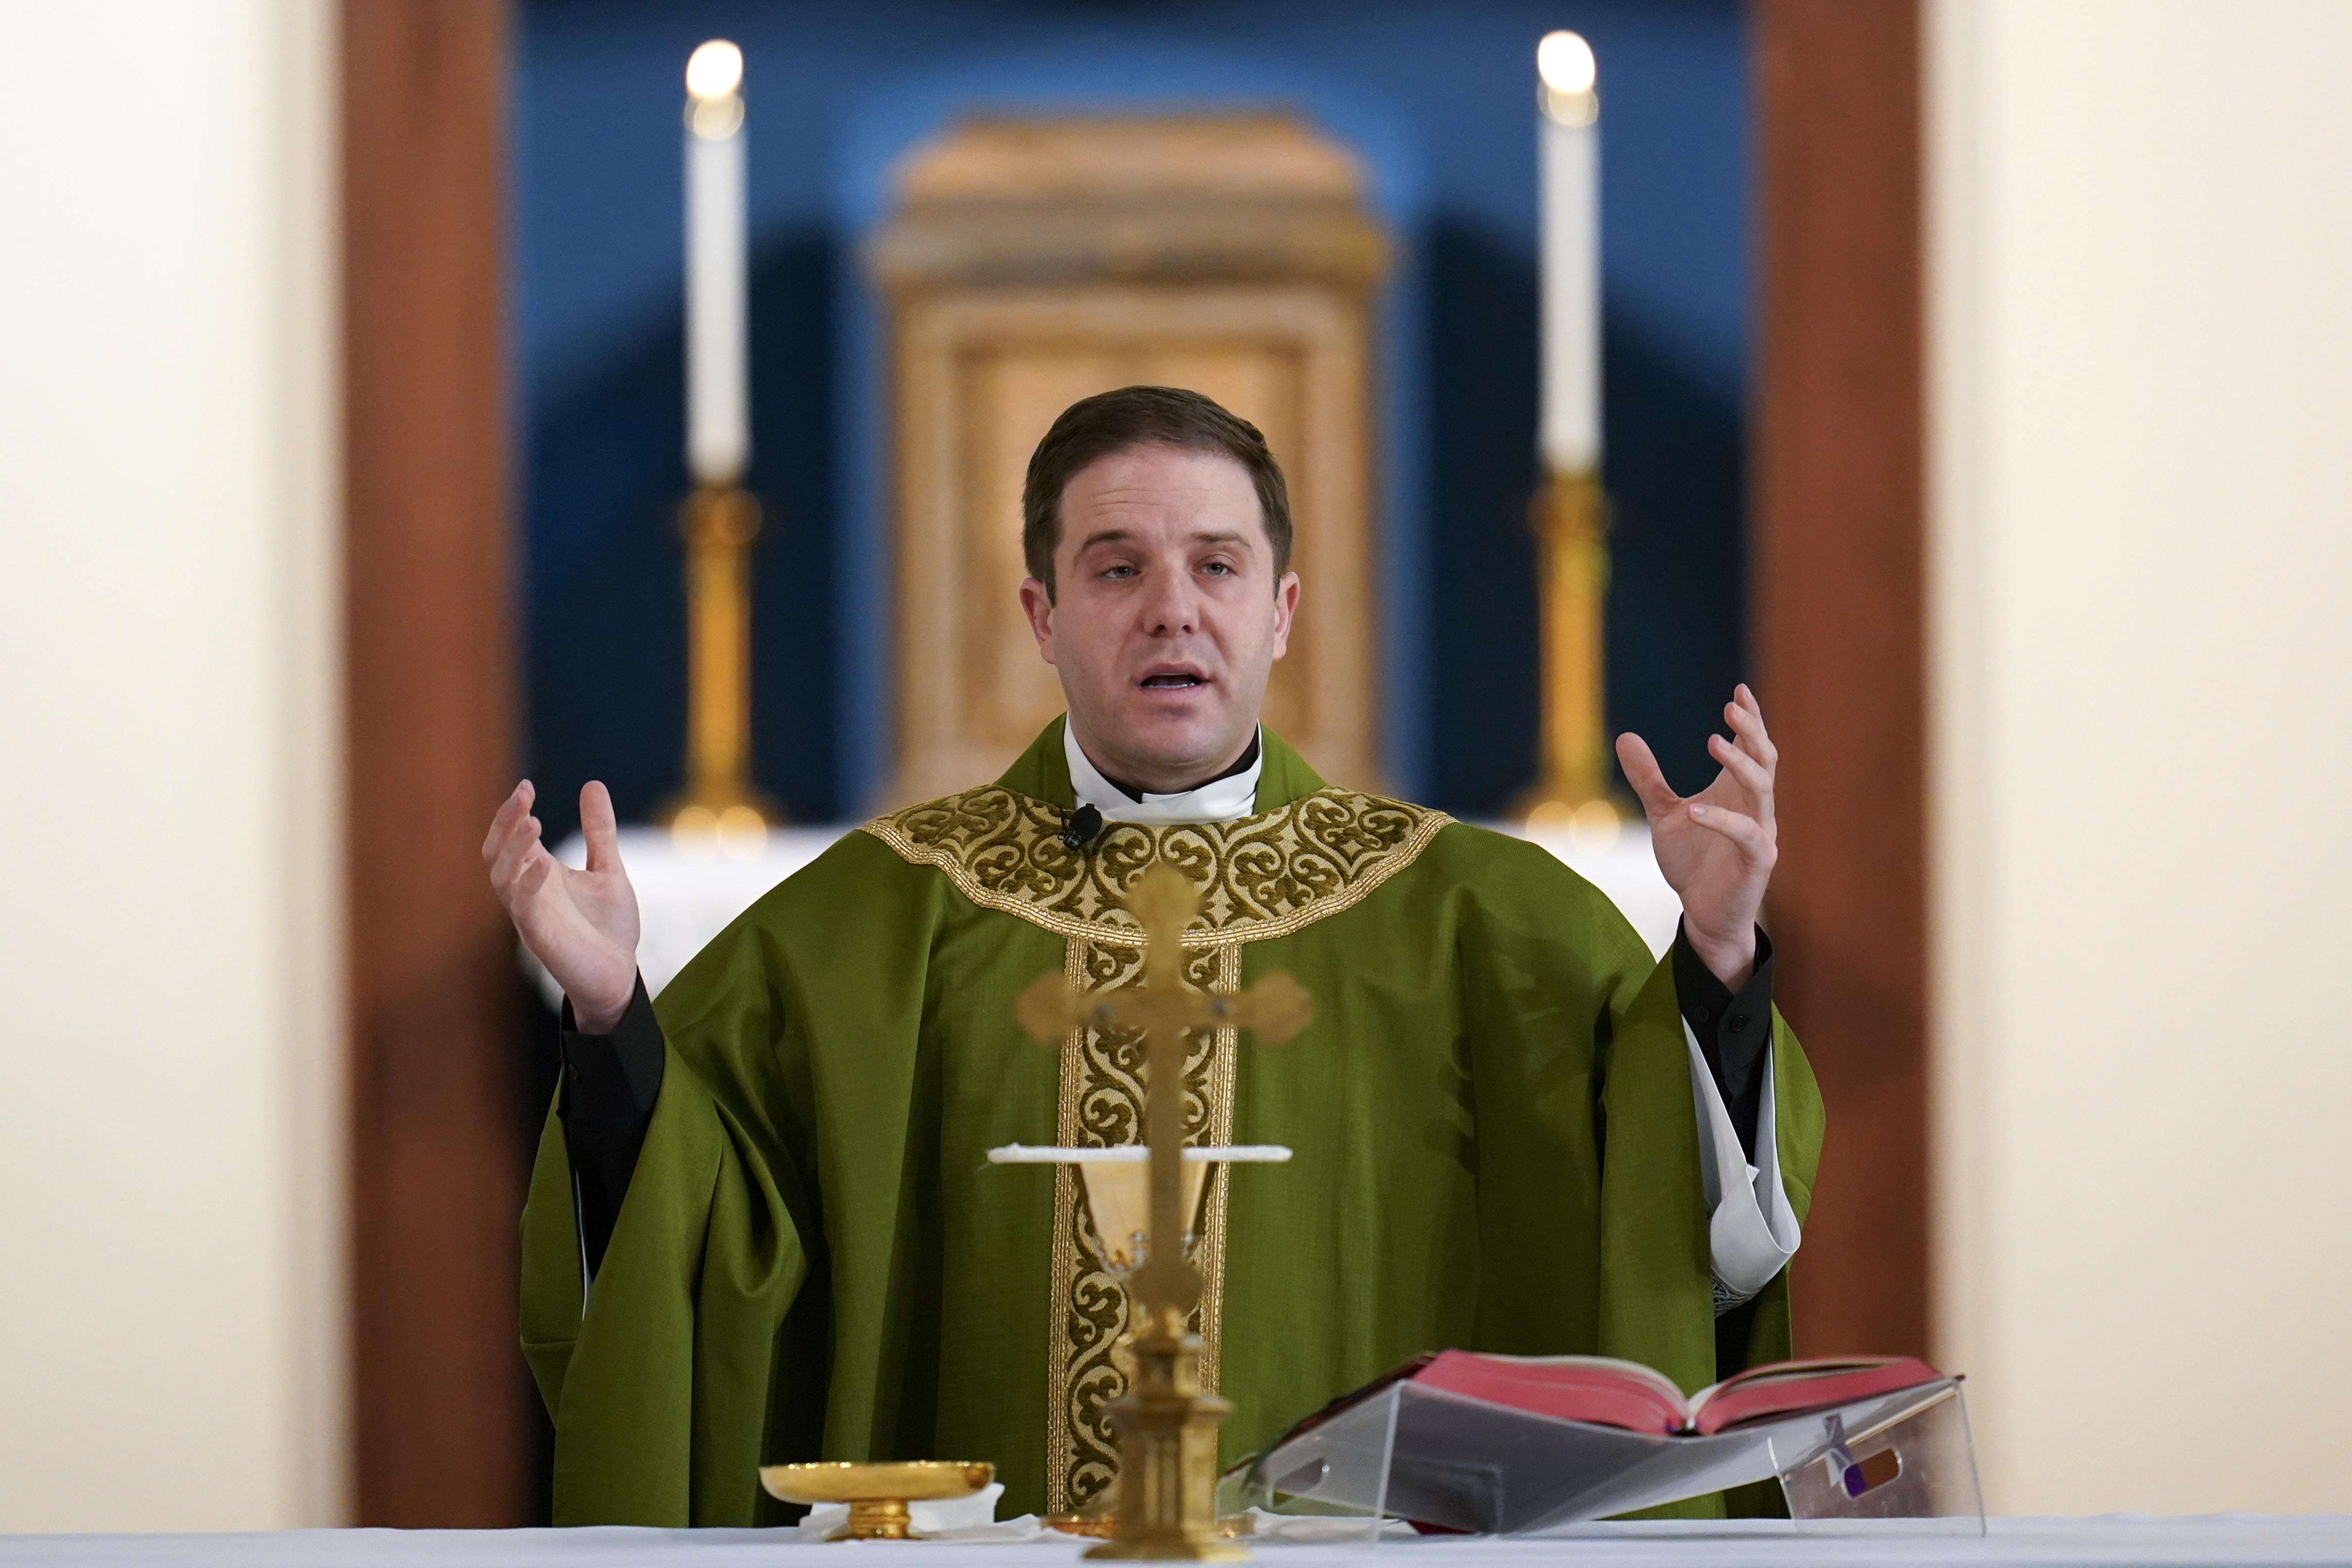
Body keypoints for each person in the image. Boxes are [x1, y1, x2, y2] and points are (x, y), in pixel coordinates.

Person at [486, 385, 1819, 1527]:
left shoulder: (1485, 919)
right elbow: (700, 1251)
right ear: (1041, 612)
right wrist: (612, 1019)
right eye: (1116, 567)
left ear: (1282, 609)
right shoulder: (874, 921)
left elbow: (1675, 1236)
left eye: (1217, 566)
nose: (1171, 611)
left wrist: (1713, 954)